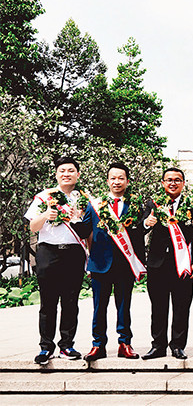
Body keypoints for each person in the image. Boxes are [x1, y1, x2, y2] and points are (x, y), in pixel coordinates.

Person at [78, 162, 147, 361]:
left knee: (124, 306)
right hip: (100, 264)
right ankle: (98, 345)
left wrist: (139, 263)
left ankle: (124, 343)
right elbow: (85, 231)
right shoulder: (95, 205)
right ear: (107, 181)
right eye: (113, 178)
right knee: (99, 307)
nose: (117, 182)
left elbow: (138, 235)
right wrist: (75, 218)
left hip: (125, 263)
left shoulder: (134, 205)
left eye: (121, 178)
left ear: (127, 181)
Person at [25, 156, 88, 364]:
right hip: (48, 252)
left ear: (77, 174)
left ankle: (67, 346)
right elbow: (33, 227)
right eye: (62, 171)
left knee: (71, 301)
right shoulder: (45, 197)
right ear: (56, 174)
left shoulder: (84, 199)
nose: (66, 174)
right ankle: (45, 347)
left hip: (73, 253)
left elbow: (88, 232)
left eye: (71, 170)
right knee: (48, 302)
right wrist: (46, 215)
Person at [140, 167, 193, 360]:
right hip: (158, 263)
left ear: (183, 183)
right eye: (168, 180)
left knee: (182, 306)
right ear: (162, 183)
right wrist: (146, 223)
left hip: (182, 263)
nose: (173, 183)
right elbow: (140, 229)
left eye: (177, 180)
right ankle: (158, 346)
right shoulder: (153, 203)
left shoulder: (191, 204)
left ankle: (178, 345)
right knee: (158, 307)